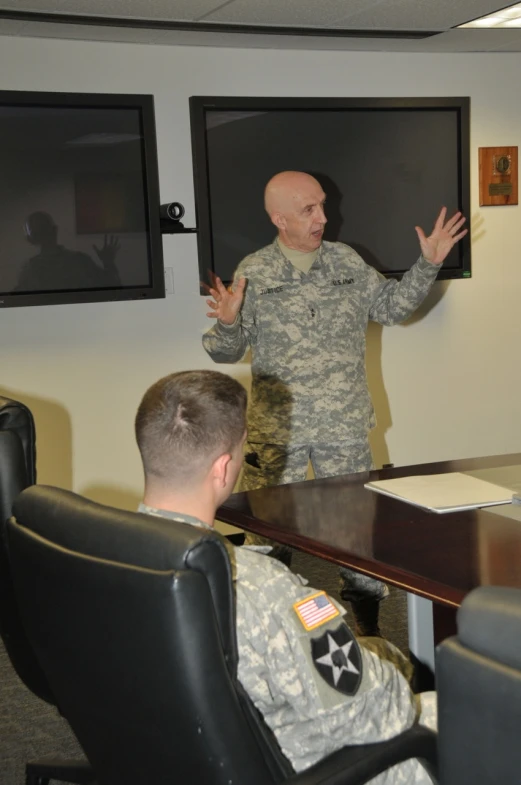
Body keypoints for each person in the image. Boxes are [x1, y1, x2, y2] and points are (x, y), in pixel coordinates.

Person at [135, 369, 436, 784]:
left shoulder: (98, 548)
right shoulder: (264, 588)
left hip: (173, 750)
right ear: (224, 469)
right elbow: (373, 716)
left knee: (382, 653)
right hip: (302, 763)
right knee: (469, 710)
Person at [202, 170, 467, 635]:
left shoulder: (346, 260)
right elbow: (226, 350)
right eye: (309, 210)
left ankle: (367, 630)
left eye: (323, 205)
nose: (324, 217)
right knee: (266, 538)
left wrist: (426, 265)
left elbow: (390, 308)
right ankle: (260, 633)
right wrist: (227, 323)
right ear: (278, 218)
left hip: (341, 426)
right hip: (277, 430)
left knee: (354, 536)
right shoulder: (255, 271)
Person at [15, 211, 121, 292]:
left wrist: (108, 262)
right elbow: (114, 289)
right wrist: (108, 262)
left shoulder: (28, 271)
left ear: (30, 239)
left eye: (41, 231)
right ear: (55, 230)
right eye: (39, 232)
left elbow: (113, 289)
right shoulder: (80, 261)